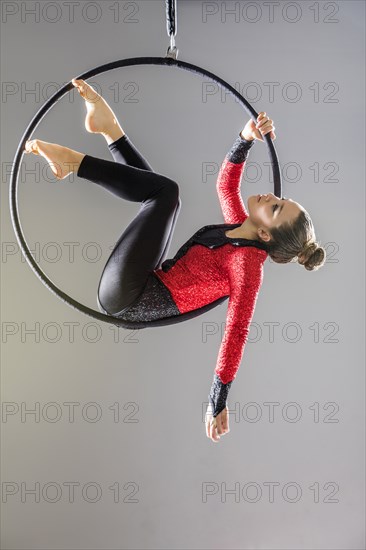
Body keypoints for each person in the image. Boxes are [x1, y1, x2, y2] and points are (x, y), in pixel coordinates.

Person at [24, 79, 326, 443]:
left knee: (165, 194)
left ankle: (74, 164)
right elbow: (226, 185)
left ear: (266, 235)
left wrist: (217, 401)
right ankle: (110, 131)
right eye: (279, 198)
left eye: (274, 208)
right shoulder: (240, 228)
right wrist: (245, 137)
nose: (268, 197)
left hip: (128, 296)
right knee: (161, 196)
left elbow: (236, 333)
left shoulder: (246, 266)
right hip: (142, 278)